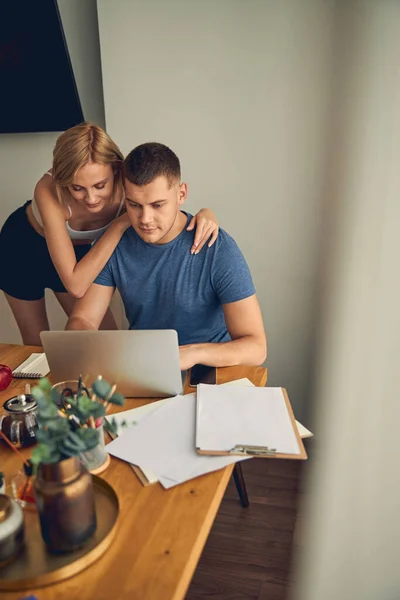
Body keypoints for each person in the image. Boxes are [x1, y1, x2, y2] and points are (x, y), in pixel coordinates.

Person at [0, 124, 219, 346]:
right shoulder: (47, 190)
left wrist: (206, 213)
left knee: (106, 339)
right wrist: (119, 224)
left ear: (117, 169)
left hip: (81, 251)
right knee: (35, 344)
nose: (91, 198)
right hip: (22, 248)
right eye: (77, 188)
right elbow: (76, 286)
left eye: (100, 185)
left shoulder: (128, 182)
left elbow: (164, 205)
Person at [66, 142, 266, 370]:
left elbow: (256, 348)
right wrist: (81, 344)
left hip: (213, 372)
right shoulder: (115, 245)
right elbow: (83, 319)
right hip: (147, 369)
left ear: (181, 194)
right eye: (134, 205)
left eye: (157, 205)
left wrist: (192, 353)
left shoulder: (218, 248)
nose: (145, 219)